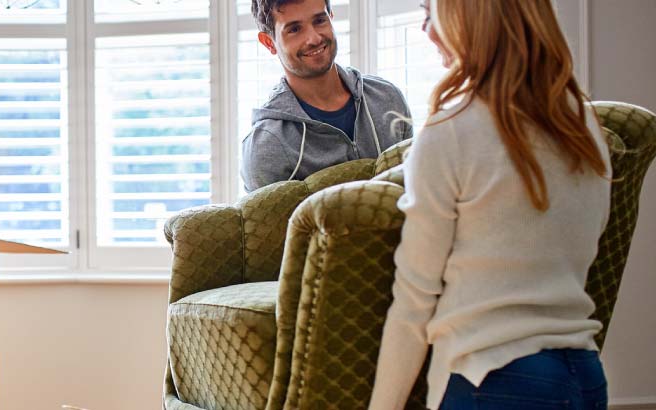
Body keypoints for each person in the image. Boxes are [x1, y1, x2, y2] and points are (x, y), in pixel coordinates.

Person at [368, 0, 612, 409]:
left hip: (492, 379)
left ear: (465, 13)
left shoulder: (451, 131)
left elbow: (414, 303)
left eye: (431, 12)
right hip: (584, 378)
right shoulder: (585, 129)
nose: (426, 30)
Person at [241, 0, 412, 191]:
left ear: (331, 18)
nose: (313, 39)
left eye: (320, 20)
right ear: (269, 43)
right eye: (295, 29)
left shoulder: (387, 98)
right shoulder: (267, 144)